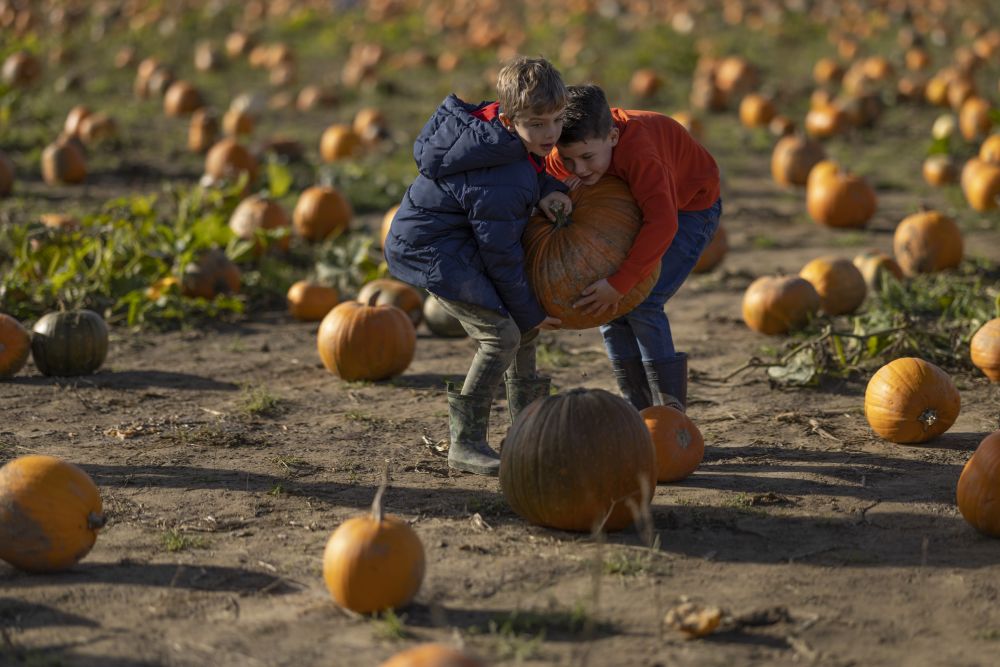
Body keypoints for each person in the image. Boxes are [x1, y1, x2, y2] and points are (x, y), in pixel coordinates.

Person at [384, 56, 572, 476]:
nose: (551, 133)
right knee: (503, 335)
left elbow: (520, 171)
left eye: (557, 120)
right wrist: (531, 313)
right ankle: (465, 443)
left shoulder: (494, 137)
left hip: (457, 239)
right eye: (538, 124)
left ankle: (527, 432)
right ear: (508, 118)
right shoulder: (499, 174)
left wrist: (547, 187)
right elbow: (502, 256)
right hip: (433, 250)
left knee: (523, 329)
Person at [544, 83, 722, 412]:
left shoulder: (640, 154)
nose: (579, 169)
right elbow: (549, 182)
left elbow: (662, 223)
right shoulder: (563, 157)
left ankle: (670, 416)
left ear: (612, 137)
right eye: (568, 160)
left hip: (688, 208)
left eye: (586, 157)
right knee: (608, 311)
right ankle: (638, 411)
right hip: (629, 211)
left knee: (643, 301)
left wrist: (620, 282)